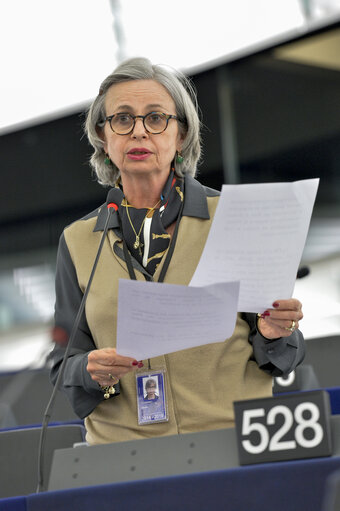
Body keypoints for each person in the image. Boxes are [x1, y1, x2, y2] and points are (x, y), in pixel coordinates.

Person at [50, 57, 305, 445]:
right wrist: (89, 371)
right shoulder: (77, 240)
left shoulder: (236, 217)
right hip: (123, 454)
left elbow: (282, 354)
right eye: (122, 119)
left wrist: (272, 333)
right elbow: (63, 366)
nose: (138, 132)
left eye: (155, 118)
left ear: (181, 135)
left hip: (234, 441)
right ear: (103, 137)